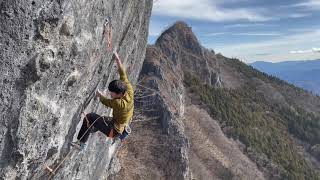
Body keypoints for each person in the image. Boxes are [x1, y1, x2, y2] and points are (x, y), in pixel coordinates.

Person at [72, 51, 134, 150]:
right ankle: (91, 128)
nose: (110, 94)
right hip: (117, 125)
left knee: (90, 117)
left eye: (112, 93)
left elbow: (106, 102)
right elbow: (123, 75)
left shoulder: (119, 103)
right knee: (96, 121)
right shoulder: (128, 89)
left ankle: (81, 144)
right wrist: (117, 60)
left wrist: (99, 95)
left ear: (119, 94)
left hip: (113, 130)